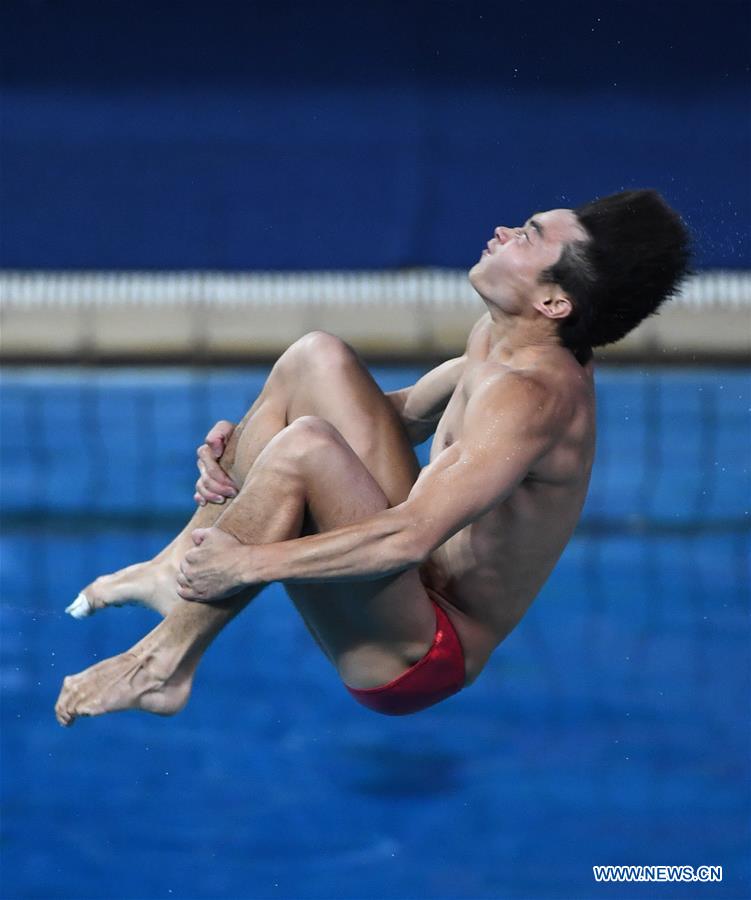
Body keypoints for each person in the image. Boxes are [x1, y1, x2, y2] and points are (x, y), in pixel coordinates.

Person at [55, 189, 691, 725]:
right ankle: (177, 567)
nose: (504, 230)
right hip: (407, 577)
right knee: (315, 358)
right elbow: (406, 414)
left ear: (555, 303)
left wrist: (248, 563)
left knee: (305, 446)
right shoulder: (499, 338)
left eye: (528, 236)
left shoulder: (532, 398)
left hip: (424, 648)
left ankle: (163, 662)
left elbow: (410, 539)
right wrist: (248, 435)